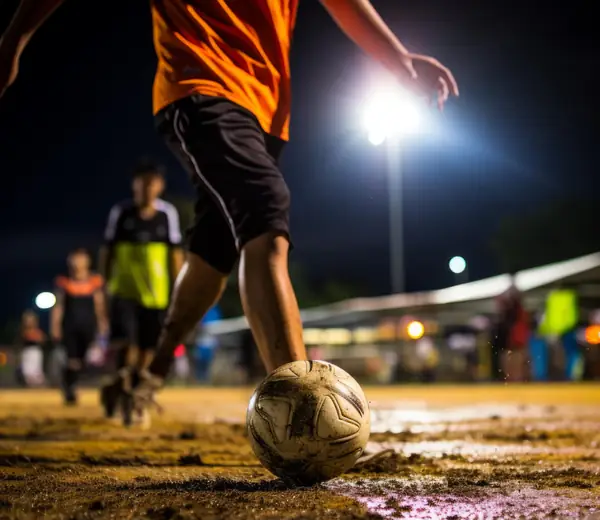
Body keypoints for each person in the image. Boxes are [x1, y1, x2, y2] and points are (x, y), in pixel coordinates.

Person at [0, 0, 459, 418]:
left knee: (216, 245)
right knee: (265, 205)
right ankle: (300, 410)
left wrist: (399, 62)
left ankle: (148, 375)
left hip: (265, 107)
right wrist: (13, 40)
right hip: (198, 85)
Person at [97, 160, 184, 423]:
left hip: (156, 295)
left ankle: (127, 391)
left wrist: (178, 286)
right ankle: (127, 395)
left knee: (148, 350)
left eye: (152, 182)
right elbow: (108, 251)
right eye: (142, 181)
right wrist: (104, 284)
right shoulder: (122, 213)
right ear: (134, 185)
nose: (147, 187)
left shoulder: (167, 214)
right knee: (127, 346)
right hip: (124, 291)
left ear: (160, 186)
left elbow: (175, 253)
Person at [50, 249, 107, 404]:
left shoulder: (95, 281)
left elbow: (99, 304)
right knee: (72, 359)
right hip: (70, 326)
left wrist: (103, 323)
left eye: (81, 260)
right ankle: (69, 389)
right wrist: (55, 326)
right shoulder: (63, 283)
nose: (77, 264)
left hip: (89, 326)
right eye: (75, 260)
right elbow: (58, 306)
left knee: (84, 360)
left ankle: (71, 381)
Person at [17, 310, 46, 386]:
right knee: (27, 372)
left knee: (36, 372)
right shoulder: (23, 332)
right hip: (27, 353)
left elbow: (42, 340)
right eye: (27, 320)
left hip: (36, 353)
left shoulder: (38, 332)